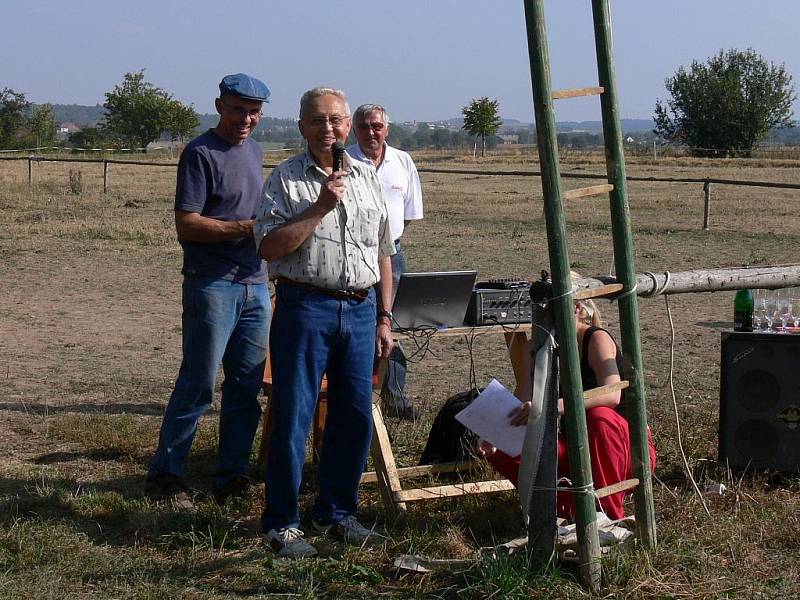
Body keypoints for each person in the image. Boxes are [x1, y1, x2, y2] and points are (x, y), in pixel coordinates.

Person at [254, 87, 395, 558]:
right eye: (317, 121)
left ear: (347, 126)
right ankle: (282, 523)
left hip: (359, 310)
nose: (328, 129)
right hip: (304, 307)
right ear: (302, 127)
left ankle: (337, 513)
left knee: (353, 415)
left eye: (336, 120)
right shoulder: (286, 179)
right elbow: (268, 247)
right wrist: (319, 207)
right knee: (294, 414)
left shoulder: (366, 176)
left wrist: (384, 316)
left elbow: (383, 251)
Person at [145, 73, 272, 509]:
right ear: (220, 106)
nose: (246, 119)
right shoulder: (200, 153)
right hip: (213, 284)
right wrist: (249, 230)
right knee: (198, 382)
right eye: (238, 109)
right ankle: (166, 474)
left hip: (256, 285)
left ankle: (232, 474)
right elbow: (188, 223)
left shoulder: (254, 151)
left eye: (254, 112)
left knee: (245, 386)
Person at [481, 298, 656, 520]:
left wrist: (553, 407)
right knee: (503, 446)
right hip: (575, 445)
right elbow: (523, 398)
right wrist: (496, 433)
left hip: (625, 448)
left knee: (598, 416)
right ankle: (561, 511)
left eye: (550, 310)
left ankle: (607, 515)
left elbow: (612, 394)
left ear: (575, 308)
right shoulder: (538, 347)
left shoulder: (595, 338)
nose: (544, 318)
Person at [347, 104, 423, 420]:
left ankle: (395, 399)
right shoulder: (344, 160)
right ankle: (358, 397)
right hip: (354, 254)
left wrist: (388, 244)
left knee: (392, 325)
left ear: (386, 128)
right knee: (361, 326)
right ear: (354, 129)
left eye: (376, 125)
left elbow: (408, 214)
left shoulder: (402, 162)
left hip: (393, 254)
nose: (371, 132)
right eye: (363, 126)